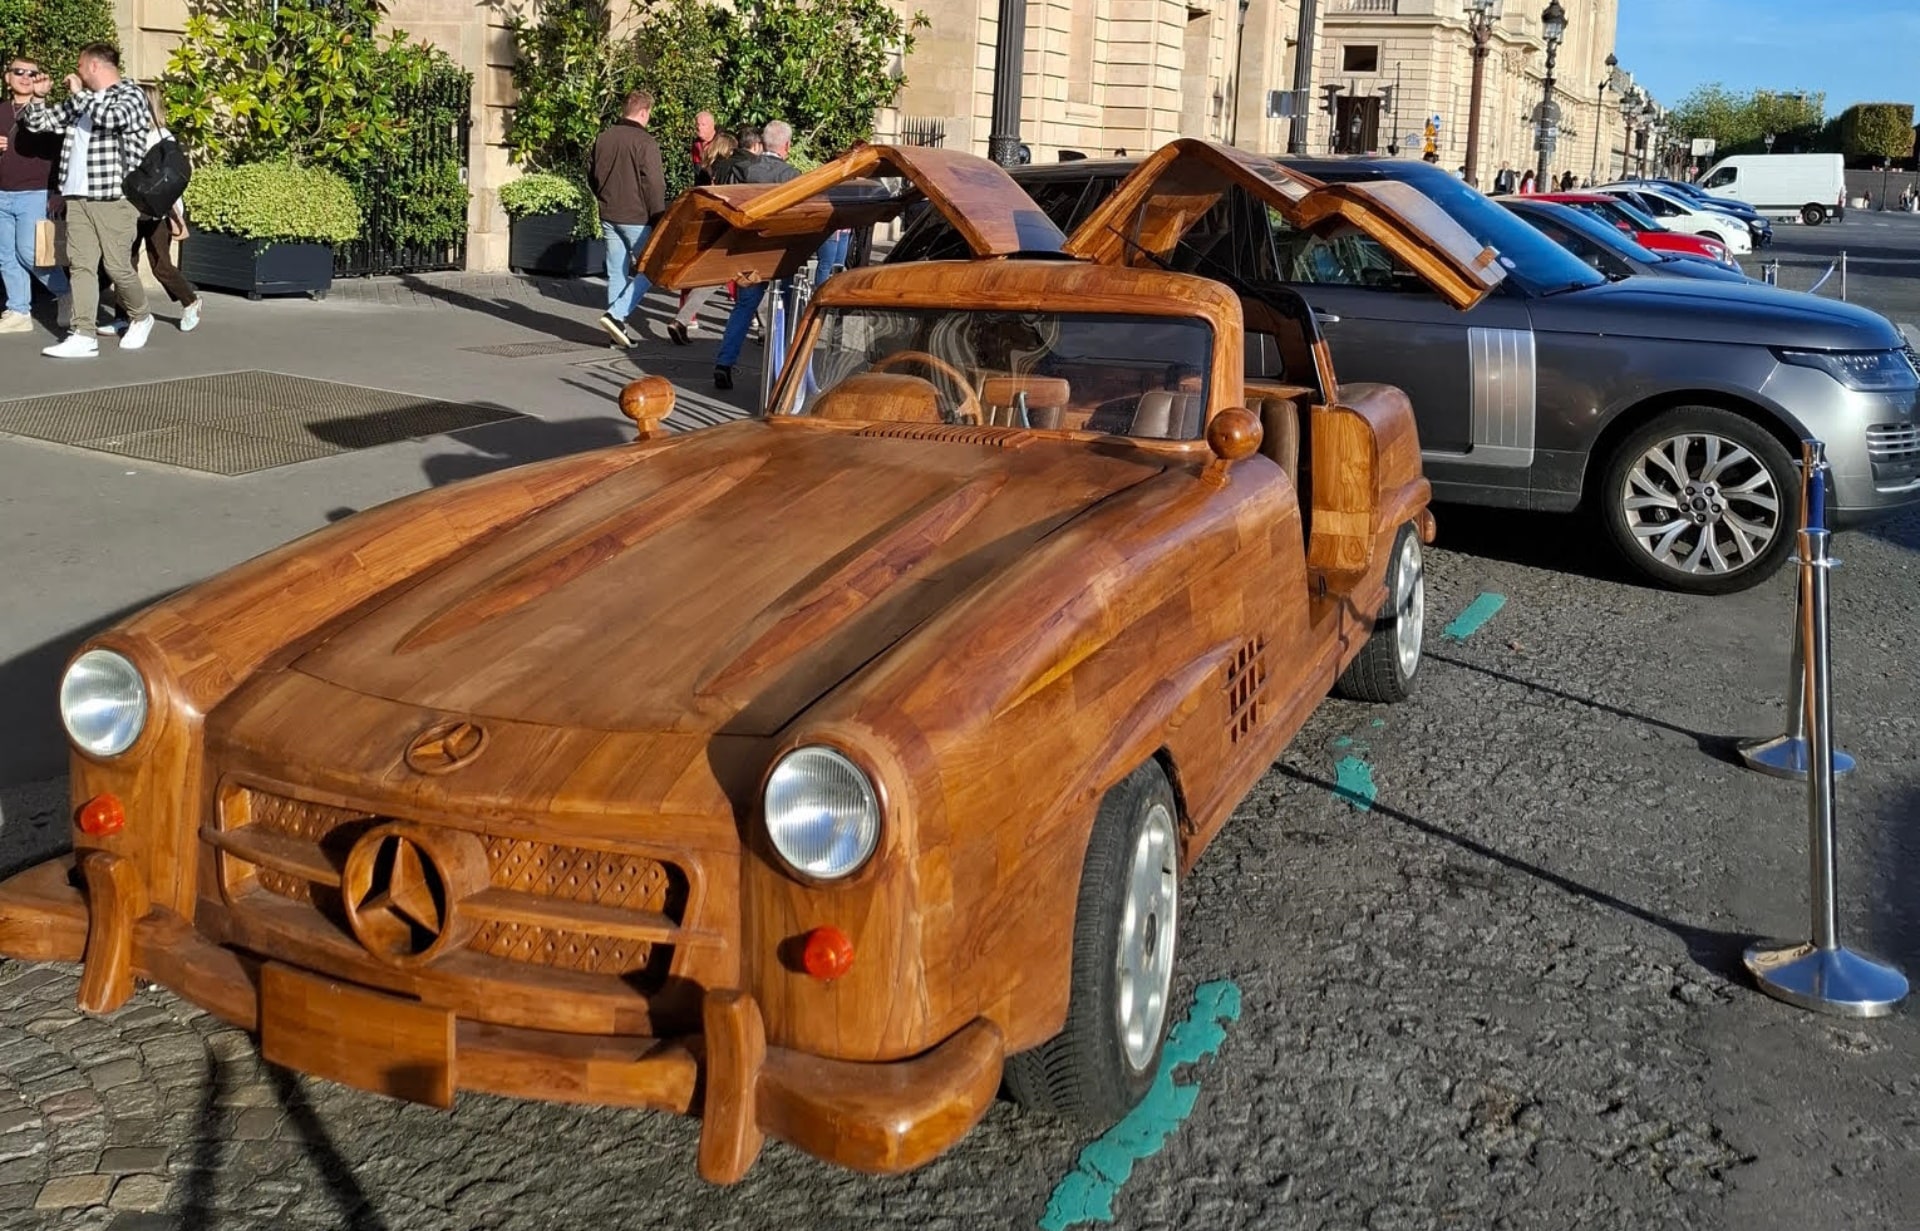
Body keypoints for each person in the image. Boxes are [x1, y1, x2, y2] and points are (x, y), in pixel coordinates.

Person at [18, 42, 153, 359]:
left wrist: (80, 94)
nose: (75, 72)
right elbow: (41, 123)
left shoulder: (129, 95)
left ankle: (141, 315)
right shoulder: (81, 103)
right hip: (77, 197)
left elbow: (111, 119)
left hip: (113, 197)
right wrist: (38, 97)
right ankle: (83, 333)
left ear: (94, 66)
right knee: (80, 266)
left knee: (117, 266)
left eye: (80, 66)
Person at [106, 83, 200, 336]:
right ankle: (124, 316)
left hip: (159, 209)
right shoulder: (127, 132)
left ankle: (190, 301)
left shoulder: (161, 137)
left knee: (160, 265)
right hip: (130, 204)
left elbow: (170, 179)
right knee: (126, 262)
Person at [713, 118, 799, 391]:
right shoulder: (792, 175)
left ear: (763, 143)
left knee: (744, 306)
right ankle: (780, 371)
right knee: (785, 308)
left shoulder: (746, 170)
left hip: (750, 250)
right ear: (786, 145)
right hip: (780, 250)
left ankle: (724, 363)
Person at [587, 88, 666, 347]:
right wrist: (659, 217)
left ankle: (615, 332)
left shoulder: (604, 138)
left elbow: (591, 174)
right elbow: (654, 184)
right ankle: (616, 315)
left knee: (616, 270)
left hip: (609, 212)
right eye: (649, 114)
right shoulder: (645, 142)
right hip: (637, 216)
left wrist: (603, 196)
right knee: (654, 267)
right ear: (643, 112)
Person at [0, 54, 70, 334]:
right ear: (7, 77)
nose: (25, 77)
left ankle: (66, 294)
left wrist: (58, 192)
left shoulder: (47, 114)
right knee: (5, 256)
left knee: (30, 253)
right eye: (19, 71)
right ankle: (18, 311)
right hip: (1, 193)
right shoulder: (1, 111)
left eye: (32, 73)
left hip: (34, 192)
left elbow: (63, 155)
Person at [667, 130, 735, 346]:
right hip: (727, 228)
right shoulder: (727, 169)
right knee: (749, 277)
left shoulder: (705, 170)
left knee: (713, 280)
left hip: (709, 228)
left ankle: (681, 319)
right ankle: (765, 329)